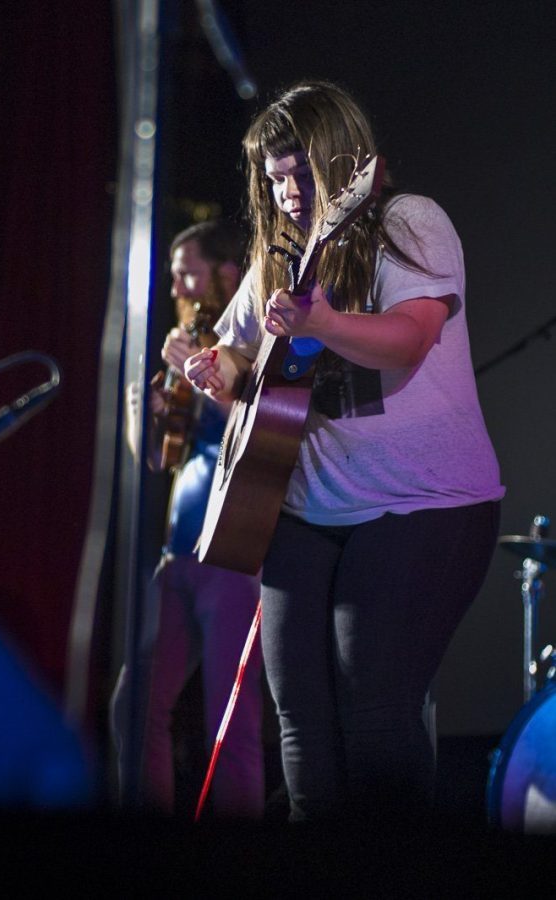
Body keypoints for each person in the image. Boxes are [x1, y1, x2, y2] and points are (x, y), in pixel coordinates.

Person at [185, 81, 504, 823]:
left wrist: (323, 322)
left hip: (422, 505)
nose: (287, 191)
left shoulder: (407, 222)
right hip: (302, 507)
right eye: (273, 178)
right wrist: (217, 373)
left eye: (298, 171)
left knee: (378, 716)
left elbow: (409, 340)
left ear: (340, 158)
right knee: (299, 720)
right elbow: (241, 361)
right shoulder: (277, 255)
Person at [111, 219, 265, 818]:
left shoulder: (248, 342)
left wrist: (203, 375)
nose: (176, 281)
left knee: (232, 723)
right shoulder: (186, 337)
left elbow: (258, 435)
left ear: (226, 273)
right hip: (179, 554)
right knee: (135, 703)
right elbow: (155, 458)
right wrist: (138, 413)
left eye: (187, 269)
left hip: (233, 556)